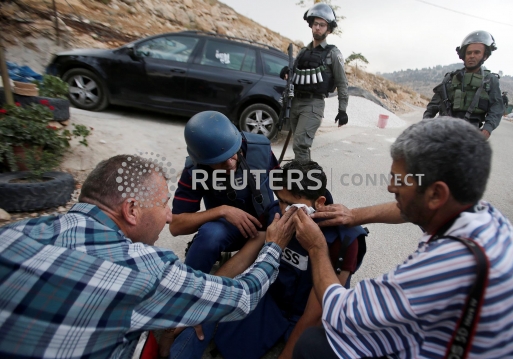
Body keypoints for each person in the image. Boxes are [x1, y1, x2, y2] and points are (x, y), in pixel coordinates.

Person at [0, 154, 298, 359]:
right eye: (163, 204)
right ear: (131, 210)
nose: (168, 216)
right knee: (196, 323)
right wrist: (273, 246)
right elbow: (243, 296)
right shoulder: (142, 268)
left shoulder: (15, 233)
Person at [292, 118, 513, 358]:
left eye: (399, 180)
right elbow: (409, 209)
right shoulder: (484, 217)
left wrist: (316, 248)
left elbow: (343, 312)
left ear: (436, 194)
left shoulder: (449, 264)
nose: (390, 188)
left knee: (313, 345)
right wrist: (354, 215)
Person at [169, 160, 367, 359]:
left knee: (316, 348)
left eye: (292, 204)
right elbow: (243, 258)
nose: (283, 210)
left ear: (320, 203)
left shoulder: (343, 240)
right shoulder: (275, 213)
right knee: (211, 320)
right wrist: (204, 297)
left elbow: (316, 312)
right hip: (273, 300)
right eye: (280, 200)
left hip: (311, 311)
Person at [169, 111, 279, 273]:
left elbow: (285, 189)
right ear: (202, 160)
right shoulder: (195, 171)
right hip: (230, 230)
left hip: (268, 224)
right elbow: (176, 226)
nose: (229, 163)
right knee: (210, 235)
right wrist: (222, 211)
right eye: (219, 161)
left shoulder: (260, 149)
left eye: (233, 153)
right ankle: (189, 288)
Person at [279, 3, 349, 162]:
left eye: (322, 25)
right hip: (295, 101)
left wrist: (342, 109)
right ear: (311, 25)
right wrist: (286, 72)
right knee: (299, 146)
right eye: (315, 24)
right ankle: (304, 178)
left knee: (301, 145)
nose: (317, 27)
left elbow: (342, 83)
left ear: (329, 29)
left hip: (313, 104)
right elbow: (294, 72)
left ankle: (302, 181)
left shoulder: (333, 53)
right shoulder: (304, 52)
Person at [423, 30, 504, 139]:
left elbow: (496, 108)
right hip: (443, 131)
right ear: (463, 55)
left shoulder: (490, 81)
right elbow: (433, 106)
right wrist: (425, 124)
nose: (472, 56)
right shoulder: (450, 78)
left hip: (470, 135)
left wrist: (487, 129)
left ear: (485, 56)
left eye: (477, 52)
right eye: (469, 53)